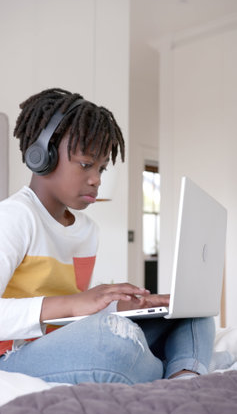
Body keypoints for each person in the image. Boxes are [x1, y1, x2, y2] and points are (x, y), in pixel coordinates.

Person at [0, 88, 215, 384]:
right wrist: (78, 302)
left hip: (67, 342)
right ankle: (180, 365)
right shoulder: (13, 218)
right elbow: (73, 307)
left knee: (192, 313)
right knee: (108, 341)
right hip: (13, 355)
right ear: (42, 156)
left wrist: (123, 304)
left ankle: (183, 377)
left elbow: (74, 316)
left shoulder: (88, 231)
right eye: (86, 164)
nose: (97, 179)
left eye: (101, 167)